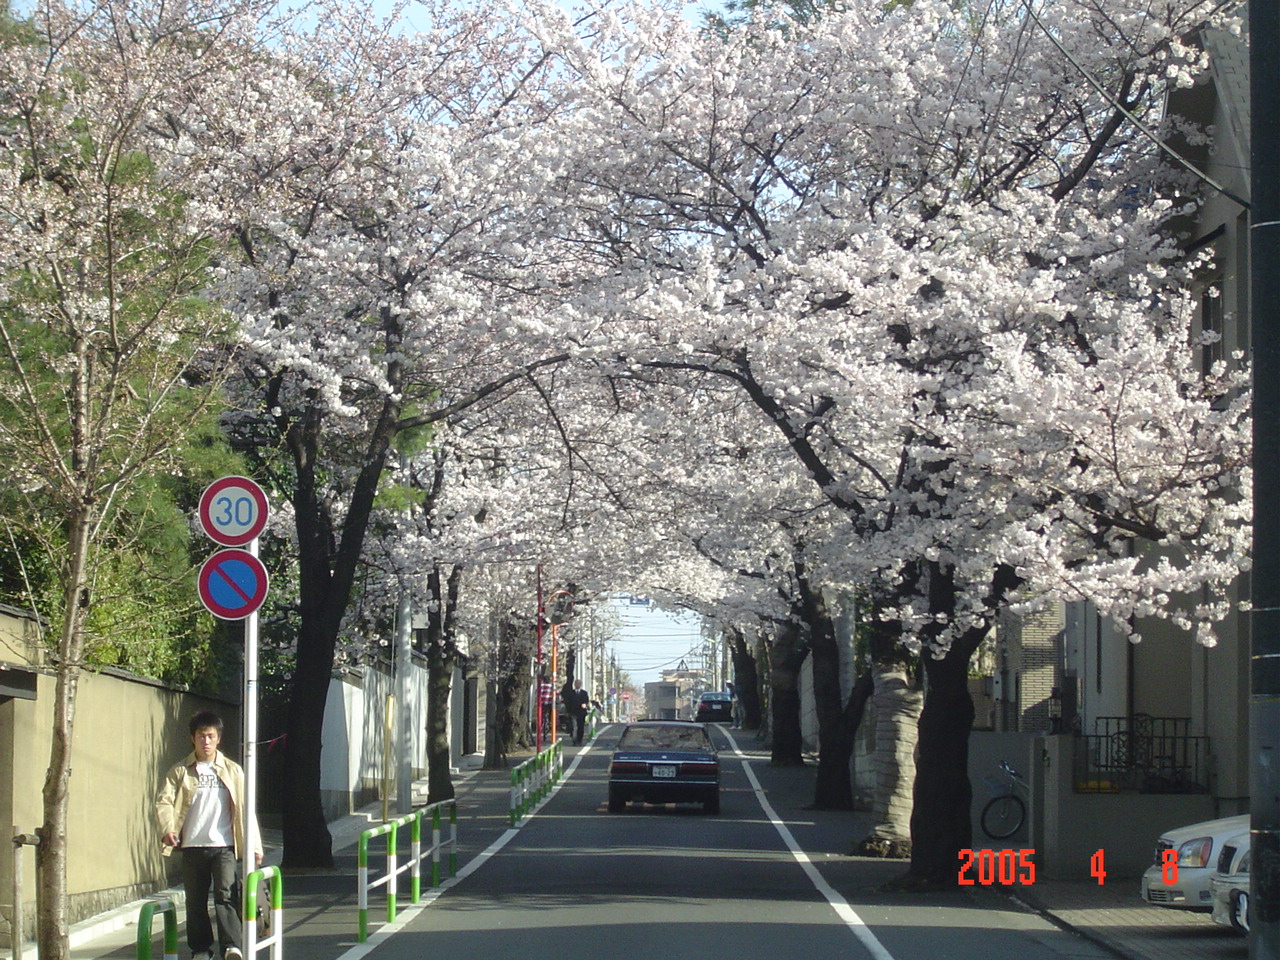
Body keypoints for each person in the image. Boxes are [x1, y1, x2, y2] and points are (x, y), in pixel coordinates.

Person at [156, 711, 262, 960]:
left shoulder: (233, 771)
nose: (205, 741)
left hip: (224, 845)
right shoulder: (180, 771)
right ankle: (201, 949)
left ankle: (231, 946)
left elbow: (246, 809)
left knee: (226, 896)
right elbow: (164, 802)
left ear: (218, 739)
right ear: (192, 738)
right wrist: (167, 829)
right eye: (201, 736)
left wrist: (255, 845)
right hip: (193, 845)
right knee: (195, 901)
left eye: (210, 736)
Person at [565, 678, 591, 745]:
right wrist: (567, 711)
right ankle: (574, 740)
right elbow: (568, 703)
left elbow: (586, 701)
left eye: (579, 683)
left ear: (581, 684)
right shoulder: (571, 693)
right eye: (576, 683)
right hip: (573, 712)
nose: (577, 685)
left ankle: (580, 739)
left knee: (580, 726)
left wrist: (585, 704)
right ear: (574, 684)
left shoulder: (584, 693)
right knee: (574, 726)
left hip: (581, 712)